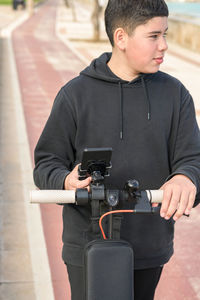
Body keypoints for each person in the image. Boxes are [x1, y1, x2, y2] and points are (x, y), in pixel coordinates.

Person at [33, 0, 200, 299]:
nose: (164, 45)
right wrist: (65, 180)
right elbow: (46, 164)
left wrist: (186, 178)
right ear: (121, 37)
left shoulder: (176, 95)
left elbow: (192, 159)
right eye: (153, 36)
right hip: (88, 246)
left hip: (150, 247)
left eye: (165, 34)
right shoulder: (74, 95)